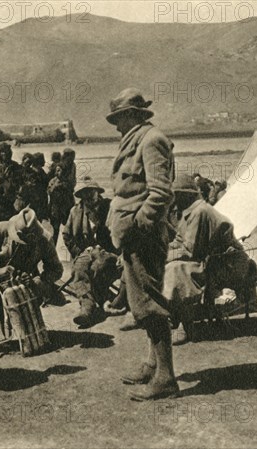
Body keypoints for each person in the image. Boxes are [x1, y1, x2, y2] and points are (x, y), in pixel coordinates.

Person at [105, 88, 178, 401]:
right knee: (142, 300)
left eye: (119, 118)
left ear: (131, 114)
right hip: (133, 235)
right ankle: (153, 364)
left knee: (148, 304)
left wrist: (138, 225)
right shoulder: (135, 139)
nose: (116, 125)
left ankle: (165, 379)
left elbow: (160, 193)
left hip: (143, 237)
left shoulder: (151, 140)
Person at [163, 174, 255, 345]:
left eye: (175, 194)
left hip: (228, 264)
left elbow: (189, 251)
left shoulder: (200, 212)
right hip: (210, 259)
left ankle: (186, 324)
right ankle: (173, 316)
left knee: (175, 270)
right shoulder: (187, 212)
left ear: (184, 194)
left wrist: (165, 258)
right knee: (170, 266)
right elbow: (179, 241)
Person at [0, 208, 63, 358]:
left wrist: (36, 280)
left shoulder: (45, 240)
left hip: (25, 282)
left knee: (39, 288)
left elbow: (56, 269)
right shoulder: (0, 229)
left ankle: (31, 333)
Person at [62, 178, 119, 327]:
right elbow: (66, 235)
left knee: (98, 267)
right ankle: (87, 308)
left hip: (108, 251)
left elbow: (121, 232)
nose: (88, 197)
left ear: (97, 192)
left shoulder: (110, 207)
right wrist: (78, 251)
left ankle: (95, 303)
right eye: (84, 194)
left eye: (90, 192)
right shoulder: (75, 211)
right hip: (85, 251)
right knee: (79, 269)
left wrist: (112, 249)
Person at [47, 150, 77, 244]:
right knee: (55, 230)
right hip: (57, 206)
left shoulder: (71, 166)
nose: (71, 159)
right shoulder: (59, 168)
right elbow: (49, 189)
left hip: (65, 204)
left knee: (70, 229)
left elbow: (71, 184)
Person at [0, 142, 22, 223]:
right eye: (2, 152)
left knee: (11, 221)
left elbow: (20, 181)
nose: (4, 154)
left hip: (11, 197)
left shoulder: (15, 166)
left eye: (6, 151)